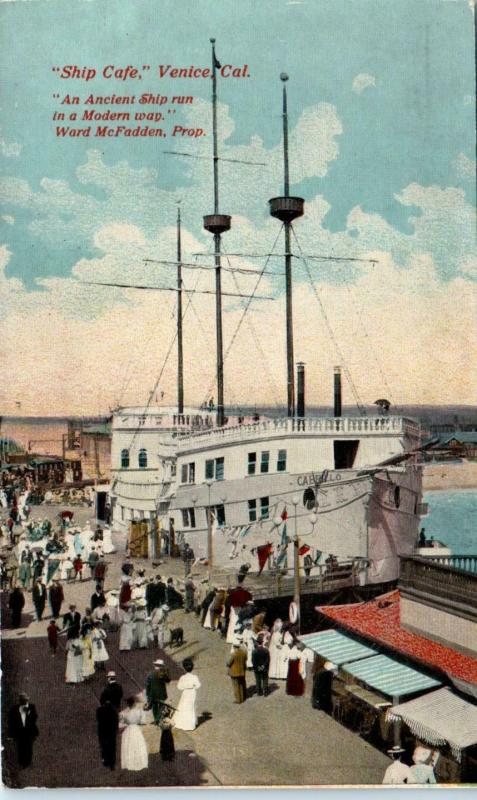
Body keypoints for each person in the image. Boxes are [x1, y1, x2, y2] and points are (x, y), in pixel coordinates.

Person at [7, 693, 39, 769]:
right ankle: (21, 762)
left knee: (29, 746)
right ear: (20, 701)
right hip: (20, 732)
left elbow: (34, 717)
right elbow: (12, 722)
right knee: (21, 747)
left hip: (29, 731)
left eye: (26, 700)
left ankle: (28, 762)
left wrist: (28, 712)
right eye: (23, 701)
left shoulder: (31, 707)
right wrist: (11, 734)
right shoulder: (15, 709)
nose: (25, 702)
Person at [119, 697, 148, 771]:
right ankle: (139, 763)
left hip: (128, 730)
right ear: (134, 703)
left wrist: (125, 721)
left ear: (128, 704)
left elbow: (121, 723)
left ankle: (130, 763)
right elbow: (143, 722)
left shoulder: (124, 713)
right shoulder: (139, 712)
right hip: (136, 729)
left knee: (129, 746)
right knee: (137, 744)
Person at [172, 658, 201, 731]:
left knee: (184, 707)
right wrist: (192, 686)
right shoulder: (194, 677)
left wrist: (186, 686)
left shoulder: (183, 677)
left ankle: (184, 723)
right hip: (192, 693)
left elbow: (179, 687)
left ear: (184, 668)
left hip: (185, 693)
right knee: (191, 707)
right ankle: (190, 724)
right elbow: (198, 685)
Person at [145, 659, 171, 725]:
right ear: (161, 666)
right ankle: (159, 719)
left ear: (155, 665)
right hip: (161, 694)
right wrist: (167, 672)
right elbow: (168, 680)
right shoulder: (162, 673)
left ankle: (156, 720)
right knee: (161, 707)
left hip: (153, 694)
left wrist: (147, 694)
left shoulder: (150, 674)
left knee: (154, 707)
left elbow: (147, 685)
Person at [96, 698, 119, 770]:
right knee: (112, 748)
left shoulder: (99, 710)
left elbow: (98, 719)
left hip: (102, 731)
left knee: (103, 746)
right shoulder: (114, 711)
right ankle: (112, 763)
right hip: (111, 732)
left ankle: (105, 760)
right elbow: (116, 721)